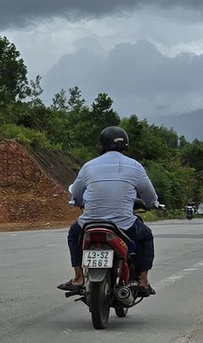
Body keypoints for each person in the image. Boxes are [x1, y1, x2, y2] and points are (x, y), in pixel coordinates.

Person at [60, 125, 160, 295]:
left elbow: (76, 193)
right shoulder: (135, 166)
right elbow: (149, 194)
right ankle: (143, 282)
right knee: (146, 237)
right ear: (126, 146)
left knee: (73, 234)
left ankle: (78, 278)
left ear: (102, 146)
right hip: (124, 225)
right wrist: (152, 203)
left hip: (89, 223)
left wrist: (76, 202)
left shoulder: (88, 166)